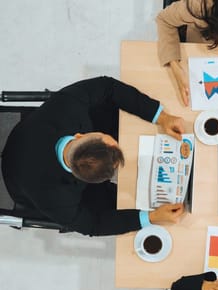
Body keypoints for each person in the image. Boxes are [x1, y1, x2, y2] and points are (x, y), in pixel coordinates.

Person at [1, 77, 186, 236]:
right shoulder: (55, 198)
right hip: (19, 180)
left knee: (109, 111)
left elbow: (107, 86)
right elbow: (93, 225)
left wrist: (161, 117)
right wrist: (151, 217)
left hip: (29, 134)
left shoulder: (66, 106)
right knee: (117, 204)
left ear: (79, 136)